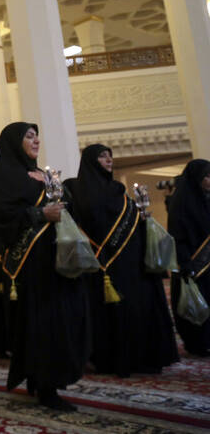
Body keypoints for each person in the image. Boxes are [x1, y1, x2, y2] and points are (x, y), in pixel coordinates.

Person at [0, 122, 89, 411]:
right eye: (28, 136)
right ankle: (46, 386)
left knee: (64, 320)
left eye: (36, 135)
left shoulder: (45, 175)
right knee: (44, 324)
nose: (36, 140)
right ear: (13, 142)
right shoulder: (5, 177)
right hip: (33, 268)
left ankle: (46, 378)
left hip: (59, 264)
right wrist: (40, 213)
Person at [73, 144, 178, 375]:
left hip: (136, 262)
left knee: (142, 307)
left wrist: (142, 218)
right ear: (91, 161)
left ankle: (147, 357)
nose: (109, 160)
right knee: (119, 311)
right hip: (108, 264)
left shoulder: (118, 189)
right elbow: (94, 222)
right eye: (102, 157)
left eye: (110, 156)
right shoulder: (83, 192)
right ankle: (117, 359)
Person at [168, 159, 210, 356]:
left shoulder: (206, 198)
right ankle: (198, 344)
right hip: (191, 264)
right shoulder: (182, 201)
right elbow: (178, 235)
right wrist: (187, 264)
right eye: (207, 176)